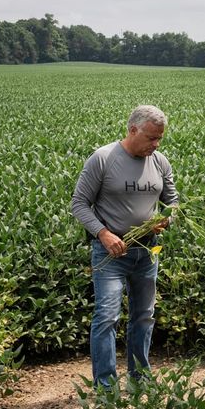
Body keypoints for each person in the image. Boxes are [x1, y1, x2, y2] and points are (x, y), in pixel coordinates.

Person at [71, 104, 179, 386]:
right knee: (107, 316)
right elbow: (79, 204)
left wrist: (167, 219)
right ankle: (106, 387)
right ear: (133, 130)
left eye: (159, 139)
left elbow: (174, 202)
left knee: (144, 316)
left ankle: (140, 380)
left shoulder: (160, 161)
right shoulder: (103, 158)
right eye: (151, 138)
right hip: (111, 253)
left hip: (147, 250)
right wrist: (103, 234)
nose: (155, 145)